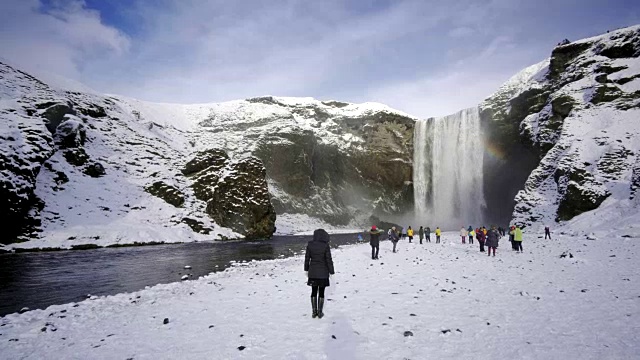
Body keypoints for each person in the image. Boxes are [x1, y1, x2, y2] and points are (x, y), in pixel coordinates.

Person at [304, 229, 335, 319]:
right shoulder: (325, 245)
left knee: (313, 291)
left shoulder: (310, 244)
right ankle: (320, 312)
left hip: (313, 272)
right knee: (321, 292)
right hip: (323, 273)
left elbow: (307, 259)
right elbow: (329, 260)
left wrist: (306, 269)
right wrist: (332, 271)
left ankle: (314, 312)